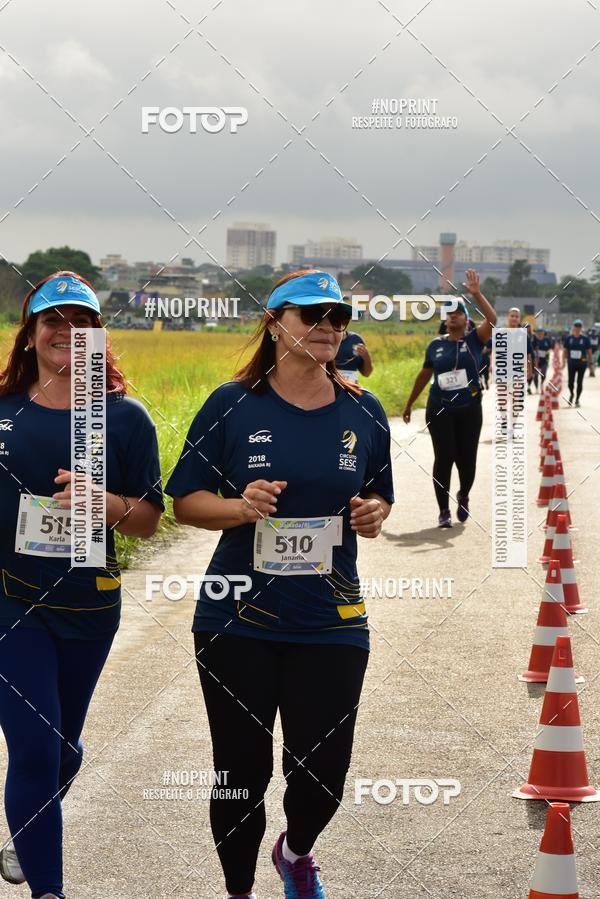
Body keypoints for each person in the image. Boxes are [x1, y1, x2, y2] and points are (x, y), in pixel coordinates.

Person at [165, 269, 394, 899]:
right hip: (235, 617)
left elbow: (377, 499)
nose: (328, 328)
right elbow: (185, 502)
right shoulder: (232, 404)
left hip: (332, 618)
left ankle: (295, 852)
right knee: (240, 771)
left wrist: (375, 514)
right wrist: (241, 507)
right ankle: (238, 890)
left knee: (323, 773)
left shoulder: (363, 410)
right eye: (311, 316)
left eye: (337, 318)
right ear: (274, 324)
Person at [0, 272, 164, 899]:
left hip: (90, 603)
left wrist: (104, 505)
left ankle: (26, 829)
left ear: (98, 336)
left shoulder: (125, 419)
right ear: (30, 334)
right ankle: (50, 890)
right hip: (12, 601)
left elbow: (148, 522)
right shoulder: (5, 410)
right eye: (53, 322)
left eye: (81, 324)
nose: (66, 333)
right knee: (36, 752)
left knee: (63, 751)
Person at [403, 270, 496, 528]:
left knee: (466, 459)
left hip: (469, 408)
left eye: (458, 312)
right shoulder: (435, 345)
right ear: (445, 319)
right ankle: (443, 510)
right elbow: (424, 375)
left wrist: (476, 293)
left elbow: (492, 319)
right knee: (444, 457)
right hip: (439, 408)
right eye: (449, 313)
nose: (453, 316)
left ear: (466, 319)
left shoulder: (475, 340)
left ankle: (464, 493)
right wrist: (410, 403)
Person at [563, 318, 592, 406]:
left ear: (581, 327)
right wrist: (564, 361)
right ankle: (572, 394)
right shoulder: (569, 338)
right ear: (573, 327)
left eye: (579, 326)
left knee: (580, 382)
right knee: (570, 382)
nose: (578, 328)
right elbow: (565, 350)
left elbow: (589, 351)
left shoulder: (585, 339)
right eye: (576, 326)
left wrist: (591, 363)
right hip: (571, 363)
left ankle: (577, 399)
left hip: (582, 363)